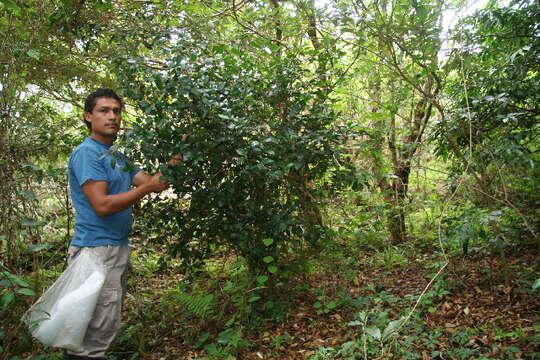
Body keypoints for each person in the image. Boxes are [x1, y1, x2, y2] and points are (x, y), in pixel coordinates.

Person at [65, 88, 177, 359]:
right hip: (96, 252)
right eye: (104, 111)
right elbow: (102, 205)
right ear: (88, 116)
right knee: (93, 333)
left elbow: (156, 183)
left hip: (113, 249)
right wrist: (146, 188)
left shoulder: (116, 156)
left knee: (99, 327)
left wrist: (179, 154)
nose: (112, 116)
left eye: (116, 111)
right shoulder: (88, 153)